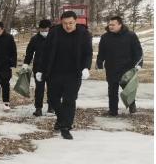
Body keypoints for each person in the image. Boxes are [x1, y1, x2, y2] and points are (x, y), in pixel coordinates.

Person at [39, 11, 93, 140]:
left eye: (71, 23)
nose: (68, 26)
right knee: (53, 99)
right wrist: (40, 70)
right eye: (65, 23)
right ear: (61, 22)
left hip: (74, 73)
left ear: (76, 21)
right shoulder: (54, 32)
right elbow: (45, 52)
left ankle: (66, 127)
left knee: (69, 99)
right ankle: (61, 119)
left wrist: (86, 67)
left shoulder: (83, 33)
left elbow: (88, 52)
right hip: (55, 72)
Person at [96, 16, 143, 116]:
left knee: (128, 89)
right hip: (111, 67)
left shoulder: (130, 35)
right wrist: (99, 63)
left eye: (113, 25)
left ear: (120, 25)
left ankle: (132, 106)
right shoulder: (105, 37)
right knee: (112, 90)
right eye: (109, 24)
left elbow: (138, 51)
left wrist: (139, 64)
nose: (110, 26)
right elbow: (101, 52)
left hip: (127, 68)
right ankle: (113, 111)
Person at [23, 19, 53, 117]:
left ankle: (51, 107)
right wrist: (26, 63)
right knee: (39, 88)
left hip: (52, 67)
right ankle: (38, 108)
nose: (44, 31)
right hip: (38, 67)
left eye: (46, 30)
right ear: (39, 29)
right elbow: (29, 52)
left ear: (49, 29)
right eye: (42, 30)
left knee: (52, 88)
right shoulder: (35, 39)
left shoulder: (54, 38)